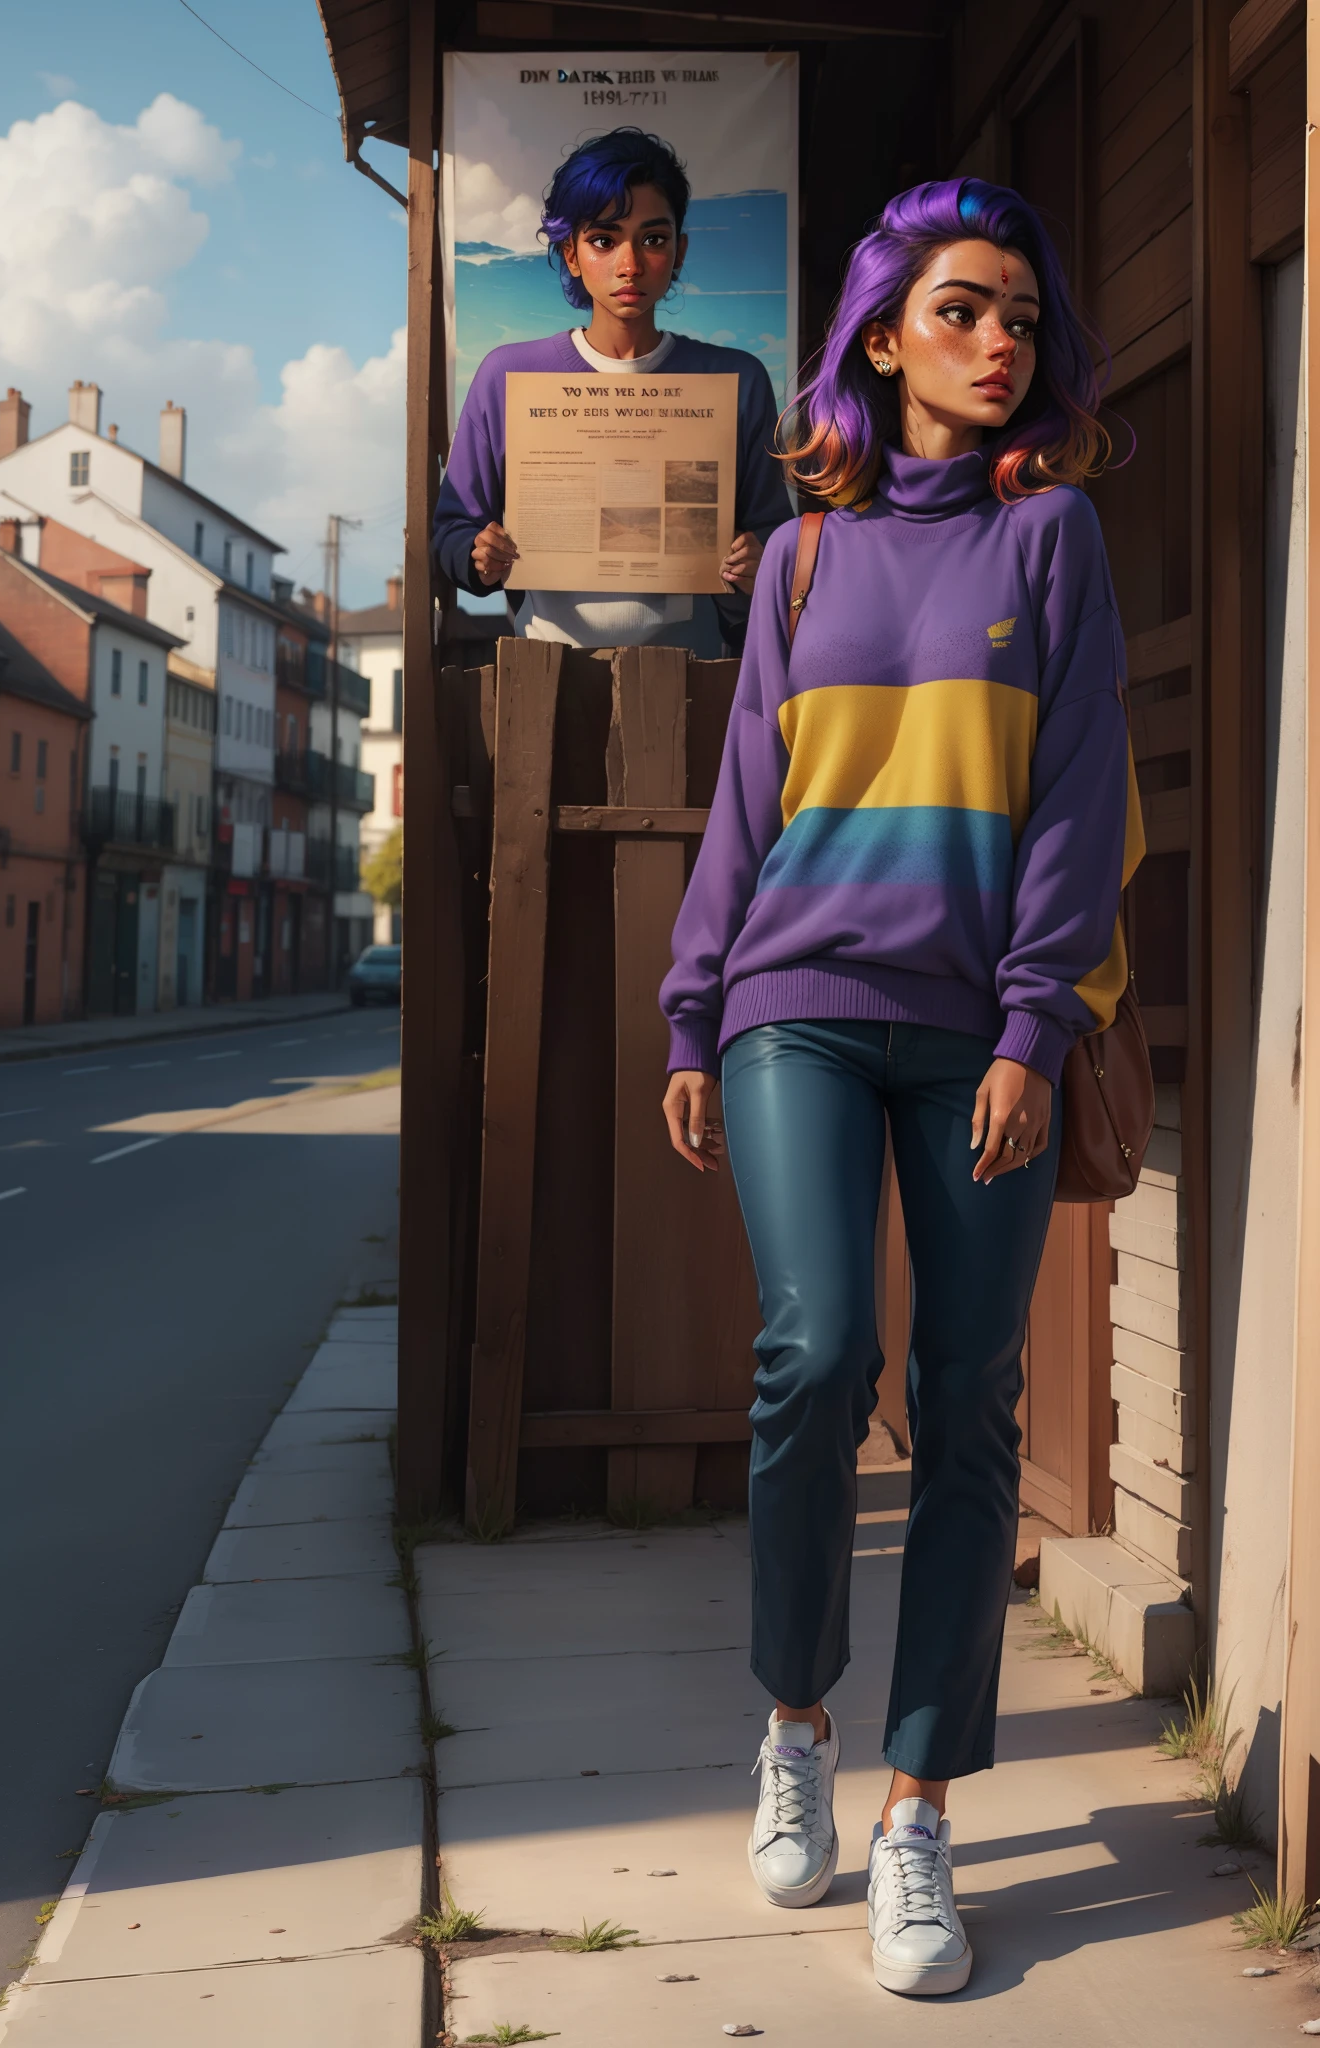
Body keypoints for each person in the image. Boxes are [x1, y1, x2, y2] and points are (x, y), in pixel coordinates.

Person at [659, 178, 1142, 1996]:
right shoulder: (797, 555)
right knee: (814, 1350)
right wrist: (694, 1008)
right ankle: (796, 1720)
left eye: (1021, 314)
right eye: (963, 309)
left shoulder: (1054, 540)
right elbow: (747, 804)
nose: (1000, 340)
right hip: (797, 993)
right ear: (884, 335)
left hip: (979, 1021)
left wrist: (1036, 1025)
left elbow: (1083, 801)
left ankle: (919, 1810)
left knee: (969, 1396)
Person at [433, 127, 791, 654]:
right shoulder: (508, 375)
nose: (630, 265)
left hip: (699, 675)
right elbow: (451, 530)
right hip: (542, 675)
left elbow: (774, 540)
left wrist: (760, 563)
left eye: (653, 238)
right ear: (571, 254)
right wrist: (476, 553)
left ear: (680, 249)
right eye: (604, 240)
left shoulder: (737, 380)